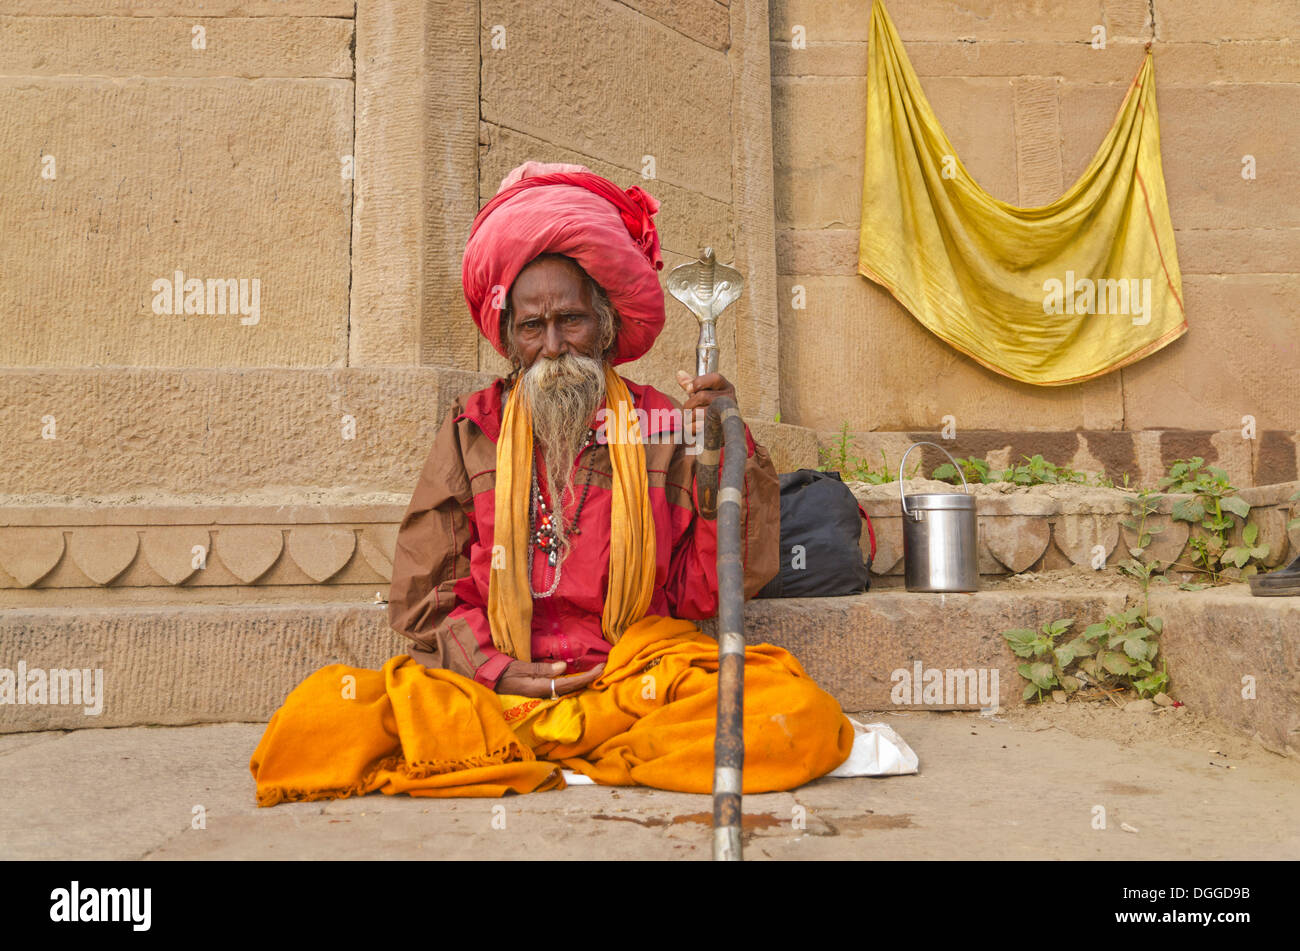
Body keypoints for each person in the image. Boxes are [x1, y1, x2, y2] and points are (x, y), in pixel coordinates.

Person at [249, 162, 853, 804]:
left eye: (572, 321)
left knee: (792, 711)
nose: (555, 345)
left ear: (607, 326)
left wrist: (725, 447)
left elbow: (709, 587)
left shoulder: (661, 426)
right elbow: (425, 597)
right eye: (533, 327)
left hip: (632, 681)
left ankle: (573, 749)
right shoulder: (472, 430)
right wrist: (495, 667)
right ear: (509, 338)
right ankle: (592, 753)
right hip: (496, 691)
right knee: (322, 717)